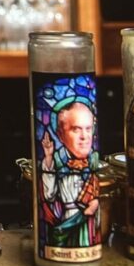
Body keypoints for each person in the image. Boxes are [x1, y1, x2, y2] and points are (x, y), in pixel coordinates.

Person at [40, 101, 100, 248]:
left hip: (90, 223)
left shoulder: (94, 162)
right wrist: (48, 158)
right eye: (76, 129)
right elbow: (49, 196)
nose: (84, 136)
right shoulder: (56, 163)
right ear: (60, 135)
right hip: (67, 222)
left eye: (88, 129)